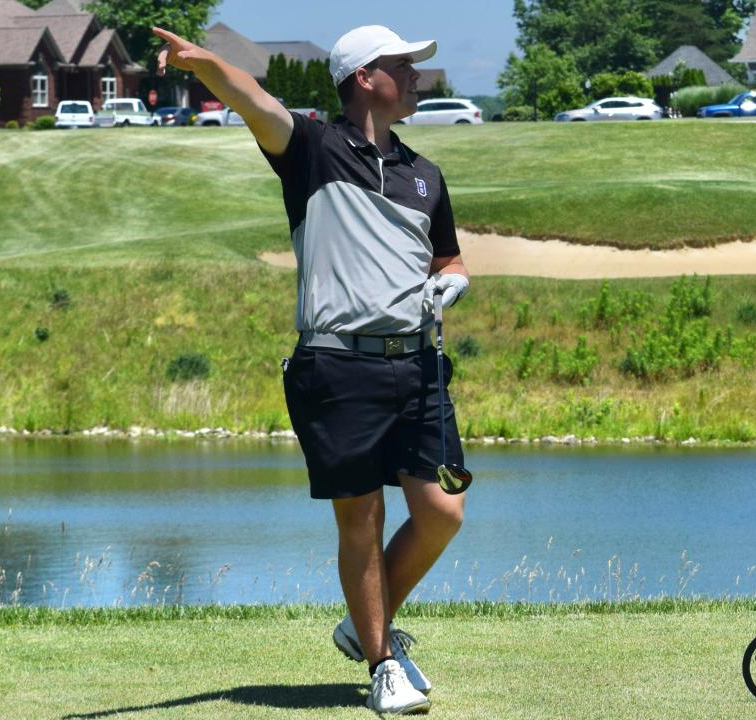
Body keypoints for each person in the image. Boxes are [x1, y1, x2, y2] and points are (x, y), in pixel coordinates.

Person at [154, 23, 471, 716]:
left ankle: (364, 626)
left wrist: (453, 279)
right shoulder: (313, 151)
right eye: (403, 66)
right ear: (363, 77)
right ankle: (383, 662)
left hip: (418, 364)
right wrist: (204, 62)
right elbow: (252, 100)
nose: (418, 76)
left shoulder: (425, 174)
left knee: (443, 511)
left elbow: (446, 256)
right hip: (336, 365)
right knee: (360, 517)